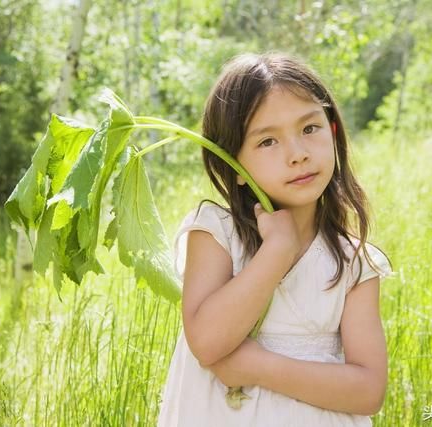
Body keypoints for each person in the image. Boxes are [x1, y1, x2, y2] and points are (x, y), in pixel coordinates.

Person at [157, 52, 393, 427]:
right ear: (232, 165)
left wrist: (259, 366)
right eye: (268, 141)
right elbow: (206, 340)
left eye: (309, 129)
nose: (297, 154)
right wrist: (277, 251)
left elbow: (368, 392)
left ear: (332, 131)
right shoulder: (217, 233)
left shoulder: (353, 261)